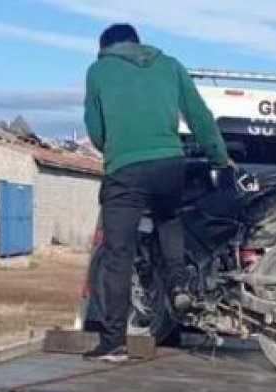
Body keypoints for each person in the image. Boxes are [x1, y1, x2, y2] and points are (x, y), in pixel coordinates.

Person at [82, 23, 232, 361]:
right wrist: (219, 158)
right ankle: (178, 284)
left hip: (125, 170)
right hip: (169, 165)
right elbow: (199, 116)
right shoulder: (170, 64)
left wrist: (116, 147)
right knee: (168, 217)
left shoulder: (98, 70)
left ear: (106, 47)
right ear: (137, 42)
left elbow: (95, 128)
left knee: (118, 255)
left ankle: (114, 342)